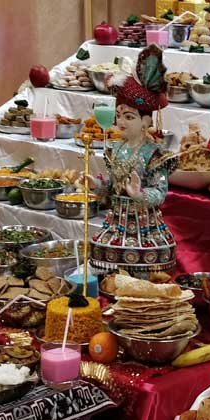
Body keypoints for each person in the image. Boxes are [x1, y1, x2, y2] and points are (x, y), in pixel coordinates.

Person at [89, 45, 178, 273]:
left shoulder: (153, 153)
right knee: (112, 270)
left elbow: (160, 192)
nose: (121, 122)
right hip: (116, 222)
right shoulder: (115, 148)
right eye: (118, 115)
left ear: (146, 122)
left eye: (129, 117)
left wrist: (139, 194)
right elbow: (113, 187)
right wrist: (98, 185)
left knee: (139, 273)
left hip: (144, 225)